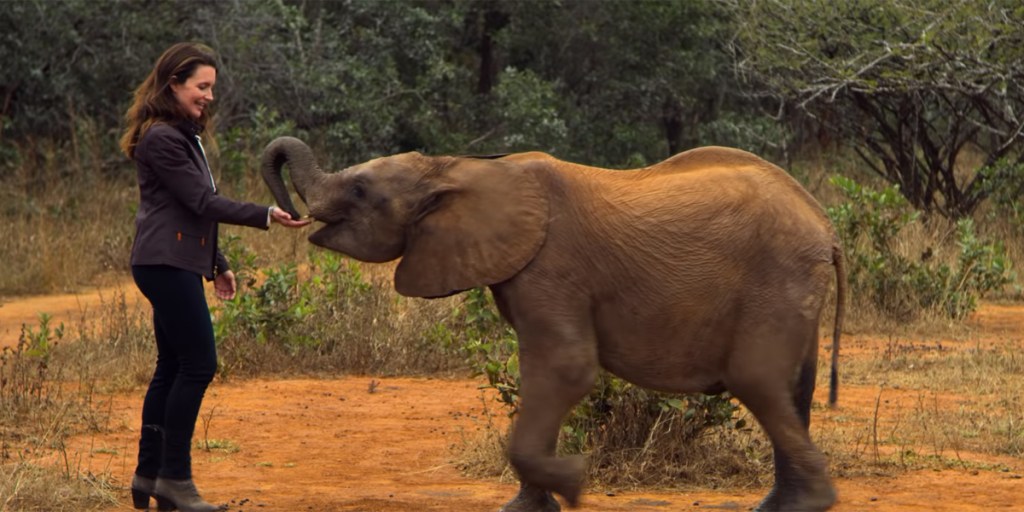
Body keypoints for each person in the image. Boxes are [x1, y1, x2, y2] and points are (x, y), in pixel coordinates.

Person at [119, 42, 309, 512]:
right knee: (199, 365)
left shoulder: (179, 134)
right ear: (174, 84)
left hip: (170, 261)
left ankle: (150, 474)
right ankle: (175, 480)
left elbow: (189, 207)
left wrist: (217, 263)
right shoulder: (164, 137)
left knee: (172, 367)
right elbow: (202, 202)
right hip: (165, 263)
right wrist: (267, 213)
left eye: (211, 88)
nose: (208, 96)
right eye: (201, 87)